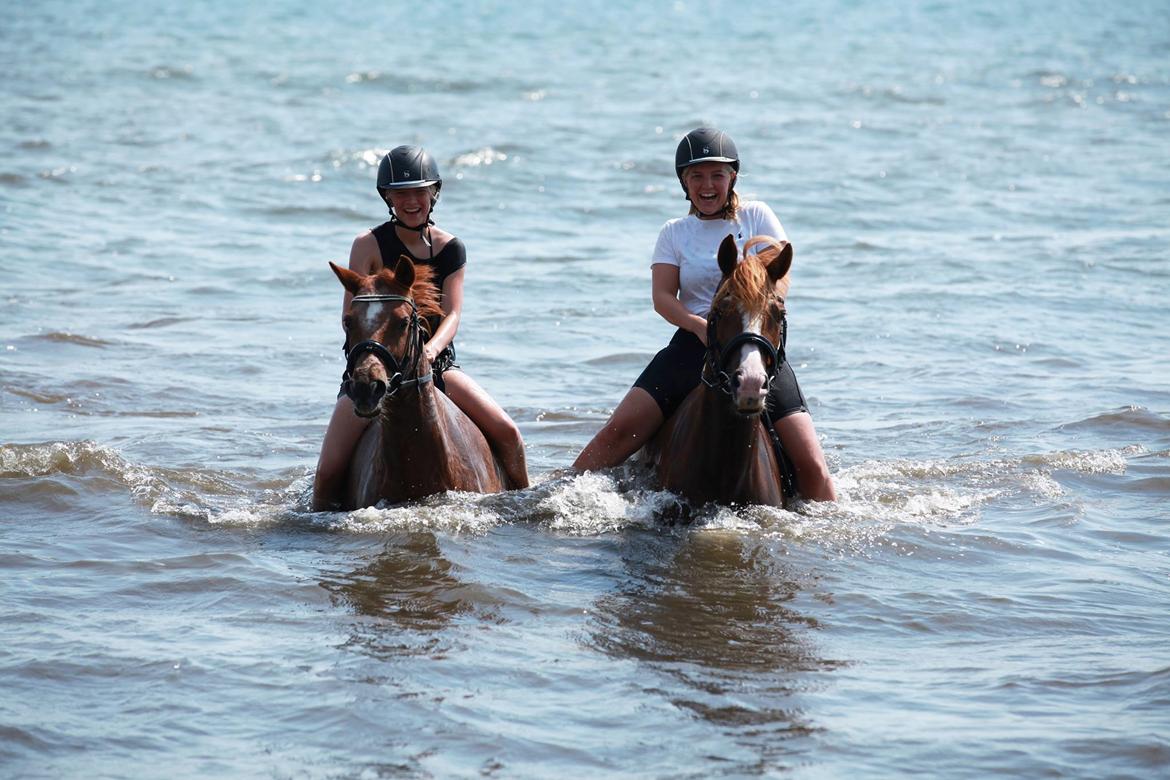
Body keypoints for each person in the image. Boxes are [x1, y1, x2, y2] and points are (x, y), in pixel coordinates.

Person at [573, 127, 836, 501]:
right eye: (696, 175)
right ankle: (558, 501)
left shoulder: (757, 216)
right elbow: (663, 297)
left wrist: (748, 286)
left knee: (813, 465)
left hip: (755, 341)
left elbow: (781, 275)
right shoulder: (674, 232)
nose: (707, 185)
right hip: (694, 341)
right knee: (616, 434)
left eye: (717, 174)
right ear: (684, 181)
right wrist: (698, 326)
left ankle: (827, 533)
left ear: (732, 178)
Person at [313, 145, 529, 510]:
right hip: (375, 366)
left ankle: (525, 510)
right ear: (388, 198)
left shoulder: (450, 248)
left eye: (419, 192)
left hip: (435, 367)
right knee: (329, 468)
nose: (411, 201)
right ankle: (317, 528)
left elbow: (452, 315)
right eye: (401, 193)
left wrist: (430, 351)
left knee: (509, 434)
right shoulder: (368, 244)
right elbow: (351, 314)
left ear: (434, 194)